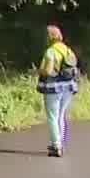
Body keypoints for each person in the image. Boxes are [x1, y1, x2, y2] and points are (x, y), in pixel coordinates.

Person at [37, 25, 80, 157]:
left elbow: (48, 71)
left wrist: (40, 71)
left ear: (49, 37)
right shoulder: (68, 50)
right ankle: (60, 142)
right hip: (68, 86)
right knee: (61, 115)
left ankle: (56, 146)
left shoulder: (51, 51)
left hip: (53, 88)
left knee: (52, 116)